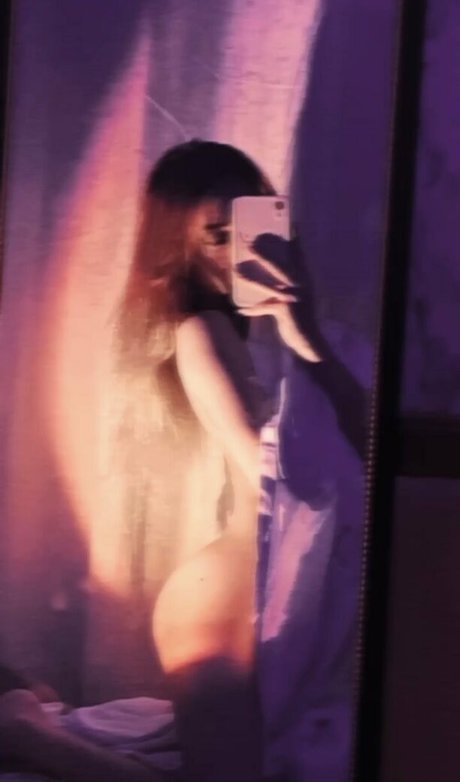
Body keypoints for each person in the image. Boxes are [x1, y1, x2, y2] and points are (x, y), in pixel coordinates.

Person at [0, 140, 365, 781]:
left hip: (272, 589)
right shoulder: (203, 332)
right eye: (217, 236)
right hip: (225, 602)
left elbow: (371, 449)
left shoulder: (288, 330)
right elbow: (280, 477)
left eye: (251, 223)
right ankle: (26, 733)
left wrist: (304, 333)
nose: (239, 250)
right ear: (182, 250)